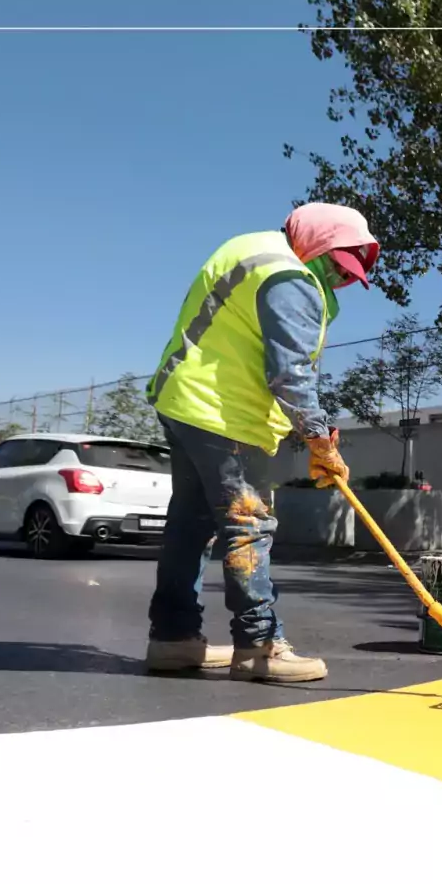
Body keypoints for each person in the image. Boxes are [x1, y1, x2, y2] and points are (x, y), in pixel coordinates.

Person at [142, 203, 378, 682]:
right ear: (317, 241)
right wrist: (317, 439)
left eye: (346, 272)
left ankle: (173, 639)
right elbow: (289, 373)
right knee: (248, 526)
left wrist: (312, 428)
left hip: (186, 403)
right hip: (228, 417)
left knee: (190, 526)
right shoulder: (289, 277)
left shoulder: (249, 248)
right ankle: (259, 645)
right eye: (335, 263)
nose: (337, 277)